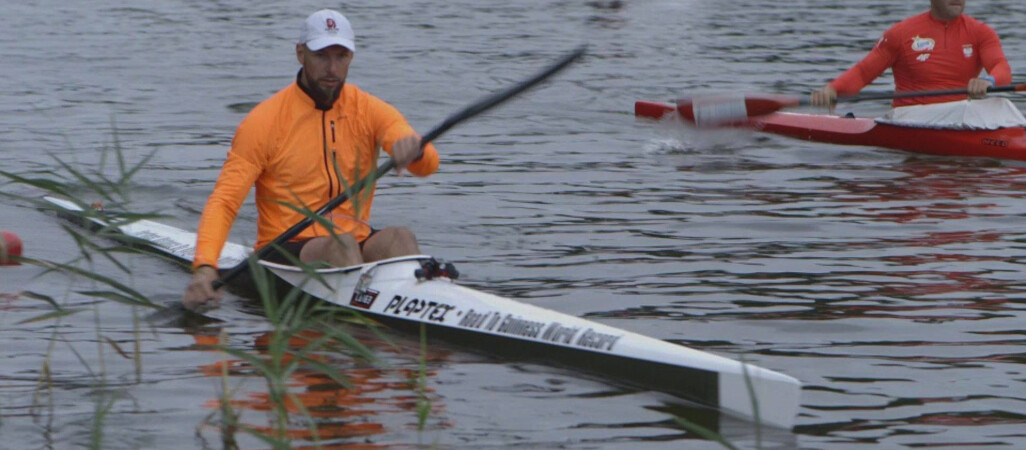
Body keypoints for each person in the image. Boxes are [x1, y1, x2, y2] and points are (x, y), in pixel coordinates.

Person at [182, 9, 439, 311]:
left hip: (350, 241)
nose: (332, 68)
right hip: (284, 251)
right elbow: (225, 201)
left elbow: (428, 166)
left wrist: (415, 151)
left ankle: (420, 309)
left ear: (351, 57)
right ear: (301, 54)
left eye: (341, 56)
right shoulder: (264, 122)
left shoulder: (369, 110)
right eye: (321, 56)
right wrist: (204, 267)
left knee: (400, 239)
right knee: (341, 246)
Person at [810, 0, 1011, 108]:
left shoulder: (981, 32)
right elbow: (863, 73)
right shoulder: (901, 33)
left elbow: (1002, 69)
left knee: (1001, 104)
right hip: (912, 116)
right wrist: (833, 90)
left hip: (961, 116)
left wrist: (989, 81)